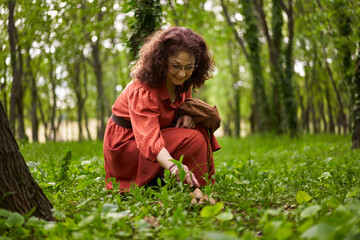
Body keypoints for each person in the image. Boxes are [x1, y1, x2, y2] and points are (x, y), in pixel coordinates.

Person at [103, 26, 221, 192]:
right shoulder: (143, 90)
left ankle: (193, 186)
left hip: (155, 134)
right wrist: (173, 167)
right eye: (175, 66)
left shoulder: (182, 83)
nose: (182, 74)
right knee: (194, 139)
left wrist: (189, 114)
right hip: (128, 144)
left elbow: (184, 105)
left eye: (189, 67)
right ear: (162, 61)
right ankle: (193, 187)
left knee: (199, 129)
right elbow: (148, 139)